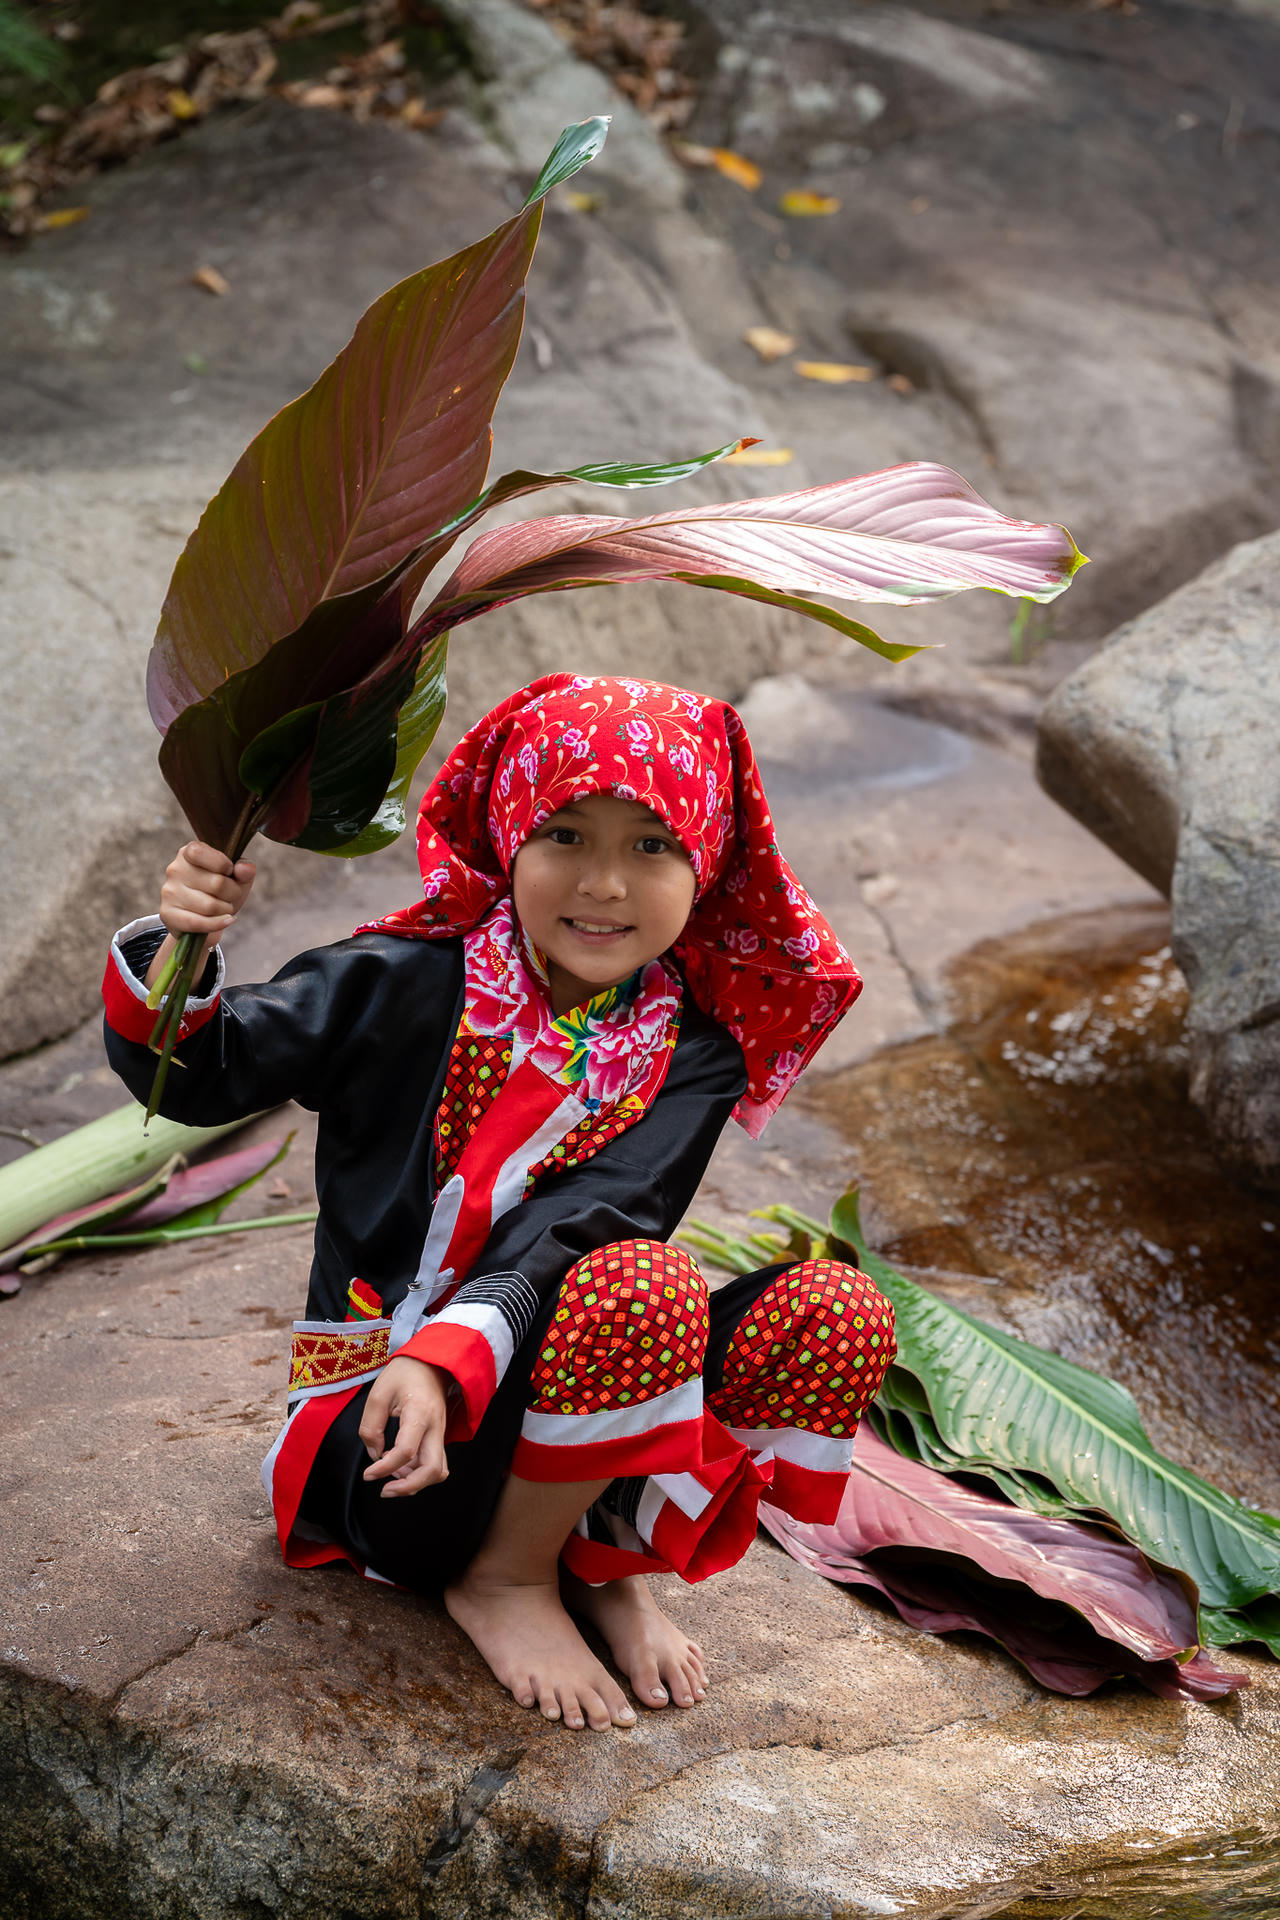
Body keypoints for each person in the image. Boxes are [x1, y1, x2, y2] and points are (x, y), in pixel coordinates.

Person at [102, 674, 896, 1733]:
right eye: (564, 833)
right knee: (640, 1290)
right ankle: (507, 1580)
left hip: (539, 1372)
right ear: (509, 836)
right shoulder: (402, 979)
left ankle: (598, 1563)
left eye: (652, 845)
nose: (605, 884)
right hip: (383, 1441)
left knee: (827, 1312)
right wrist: (178, 946)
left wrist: (463, 1350)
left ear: (705, 868)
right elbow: (204, 1071)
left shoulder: (690, 1052)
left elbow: (599, 1216)